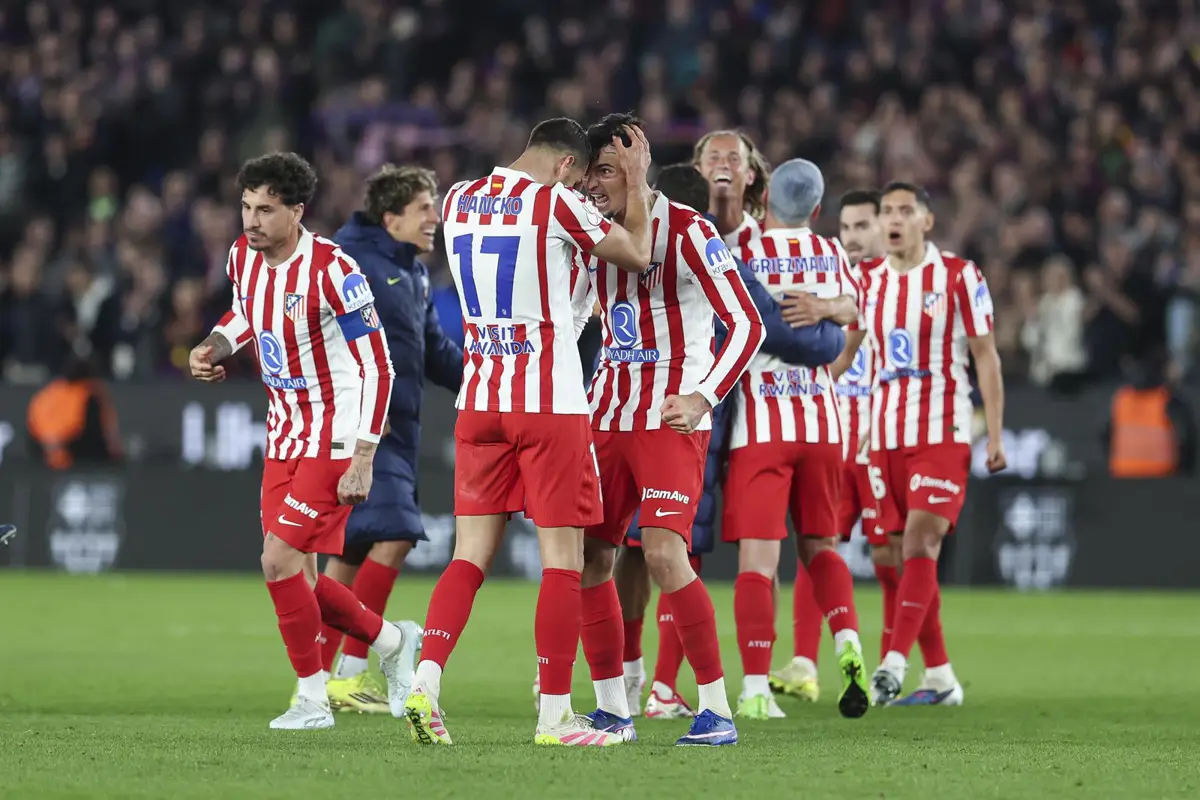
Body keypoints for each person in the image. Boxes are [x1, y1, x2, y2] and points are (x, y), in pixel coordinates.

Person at [402, 117, 656, 748]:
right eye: (579, 174)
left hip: (480, 397)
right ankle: (555, 717)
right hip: (548, 402)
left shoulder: (459, 198)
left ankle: (424, 681)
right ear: (566, 165)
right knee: (564, 563)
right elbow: (637, 253)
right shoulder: (556, 204)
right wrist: (638, 181)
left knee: (467, 557)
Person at [188, 152, 418, 730]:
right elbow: (244, 314)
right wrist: (215, 345)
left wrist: (364, 456)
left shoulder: (333, 271)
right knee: (298, 579)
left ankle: (312, 699)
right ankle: (394, 643)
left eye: (266, 209)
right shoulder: (242, 257)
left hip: (334, 437)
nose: (252, 220)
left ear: (296, 211)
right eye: (246, 207)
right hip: (284, 434)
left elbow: (379, 367)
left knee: (277, 560)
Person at [606, 164, 845, 719]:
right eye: (714, 158)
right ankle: (637, 680)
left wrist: (833, 317)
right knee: (628, 552)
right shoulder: (635, 243)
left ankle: (663, 686)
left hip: (701, 419)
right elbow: (785, 332)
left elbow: (765, 326)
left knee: (662, 549)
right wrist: (835, 326)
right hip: (656, 413)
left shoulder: (719, 246)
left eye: (733, 161)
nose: (723, 170)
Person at [569, 114, 765, 747]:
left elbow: (747, 323)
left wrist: (704, 396)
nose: (593, 183)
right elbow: (568, 315)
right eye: (590, 171)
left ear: (637, 166)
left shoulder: (689, 229)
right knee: (589, 556)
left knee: (661, 552)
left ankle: (716, 710)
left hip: (668, 418)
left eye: (607, 170)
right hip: (606, 414)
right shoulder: (589, 232)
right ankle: (612, 709)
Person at [832, 181, 1008, 707]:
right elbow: (848, 352)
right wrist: (810, 391)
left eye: (906, 211)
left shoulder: (959, 276)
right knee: (892, 556)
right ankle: (941, 677)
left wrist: (996, 433)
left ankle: (892, 663)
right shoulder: (868, 280)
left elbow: (986, 356)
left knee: (920, 542)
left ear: (926, 221)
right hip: (884, 435)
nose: (894, 219)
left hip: (941, 430)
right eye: (888, 211)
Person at [307, 165, 463, 714]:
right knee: (395, 533)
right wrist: (355, 406)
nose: (435, 217)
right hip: (366, 428)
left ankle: (320, 680)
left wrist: (488, 379)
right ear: (391, 216)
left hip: (393, 428)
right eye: (424, 208)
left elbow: (435, 350)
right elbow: (324, 335)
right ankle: (353, 670)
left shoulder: (410, 272)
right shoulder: (353, 263)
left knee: (349, 552)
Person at [721, 159, 870, 721]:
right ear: (817, 209)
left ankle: (756, 688)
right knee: (821, 549)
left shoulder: (748, 250)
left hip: (762, 424)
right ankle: (848, 642)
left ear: (764, 203)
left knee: (759, 561)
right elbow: (855, 311)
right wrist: (826, 308)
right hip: (823, 423)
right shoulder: (830, 251)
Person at [768, 189, 887, 699]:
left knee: (895, 554)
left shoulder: (896, 284)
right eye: (848, 227)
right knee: (818, 545)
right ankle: (804, 661)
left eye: (864, 226)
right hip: (834, 428)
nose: (854, 237)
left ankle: (907, 665)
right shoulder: (831, 275)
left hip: (877, 433)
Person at [692, 129, 770, 249]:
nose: (724, 164)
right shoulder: (682, 237)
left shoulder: (766, 239)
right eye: (714, 158)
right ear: (697, 172)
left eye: (734, 159)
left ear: (750, 176)